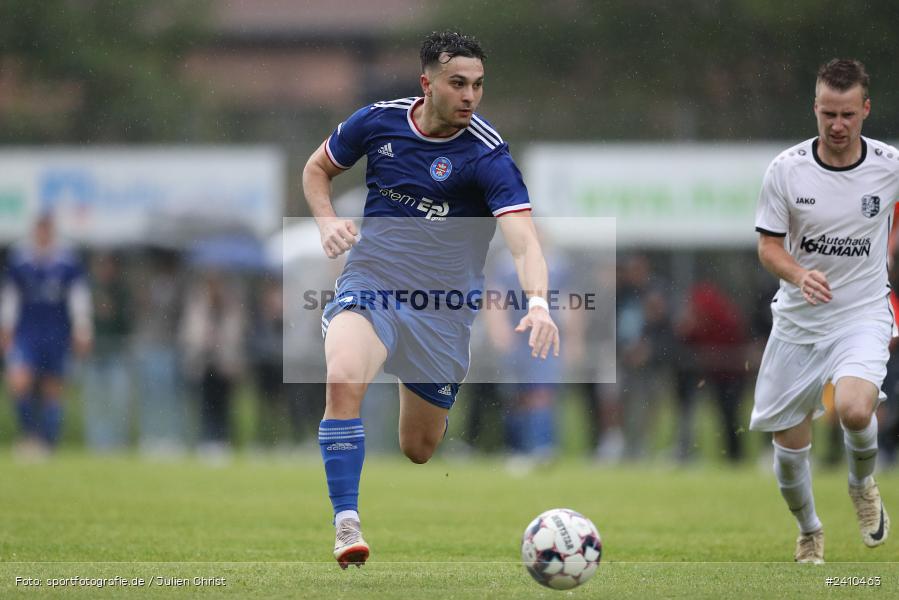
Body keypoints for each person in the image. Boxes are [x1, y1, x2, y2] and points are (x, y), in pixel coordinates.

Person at [302, 30, 559, 569]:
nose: (470, 96)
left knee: (419, 449)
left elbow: (523, 240)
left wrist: (537, 302)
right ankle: (346, 521)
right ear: (428, 84)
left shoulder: (488, 156)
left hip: (442, 315)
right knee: (343, 377)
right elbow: (317, 168)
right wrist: (327, 222)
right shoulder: (379, 122)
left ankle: (411, 376)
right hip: (372, 284)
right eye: (458, 83)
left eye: (478, 85)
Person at [753, 59, 893, 564]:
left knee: (856, 408)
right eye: (829, 113)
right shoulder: (786, 170)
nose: (838, 125)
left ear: (865, 110)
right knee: (789, 447)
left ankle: (862, 486)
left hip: (862, 314)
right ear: (815, 108)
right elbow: (768, 247)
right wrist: (798, 274)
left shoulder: (888, 165)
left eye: (848, 115)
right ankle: (809, 529)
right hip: (799, 320)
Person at [1, 214, 92, 455]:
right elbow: (10, 296)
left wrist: (82, 328)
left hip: (56, 331)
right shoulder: (20, 260)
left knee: (54, 387)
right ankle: (30, 436)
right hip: (27, 332)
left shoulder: (67, 261)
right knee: (19, 382)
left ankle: (49, 442)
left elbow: (78, 296)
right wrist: (6, 327)